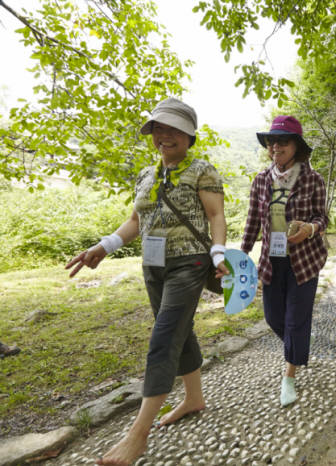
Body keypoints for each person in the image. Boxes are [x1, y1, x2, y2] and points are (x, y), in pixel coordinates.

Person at [65, 97, 229, 466]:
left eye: (173, 129)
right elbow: (136, 221)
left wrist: (219, 253)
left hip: (190, 262)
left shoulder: (202, 170)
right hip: (153, 266)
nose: (164, 136)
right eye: (158, 128)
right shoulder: (146, 174)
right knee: (178, 330)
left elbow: (216, 215)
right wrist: (104, 246)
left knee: (164, 337)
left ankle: (138, 434)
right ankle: (193, 398)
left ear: (190, 135)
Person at [241, 115, 328, 407]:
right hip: (270, 262)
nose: (275, 146)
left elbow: (322, 217)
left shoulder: (312, 179)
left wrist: (309, 229)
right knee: (274, 318)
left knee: (294, 320)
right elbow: (252, 221)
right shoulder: (261, 181)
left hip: (304, 261)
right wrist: (240, 256)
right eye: (271, 141)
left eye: (283, 141)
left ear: (296, 146)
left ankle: (289, 376)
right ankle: (298, 342)